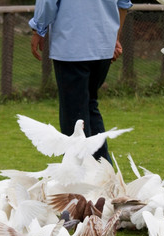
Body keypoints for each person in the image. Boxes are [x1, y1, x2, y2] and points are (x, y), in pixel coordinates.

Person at [29, 0, 133, 164]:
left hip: (71, 47)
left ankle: (80, 179)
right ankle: (104, 174)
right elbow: (124, 3)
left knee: (74, 119)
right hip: (103, 46)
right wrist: (115, 38)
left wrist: (38, 29)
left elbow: (48, 2)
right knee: (90, 107)